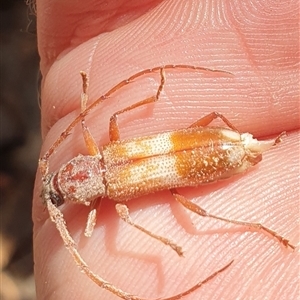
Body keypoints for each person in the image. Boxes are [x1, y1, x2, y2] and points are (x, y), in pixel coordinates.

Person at [33, 1, 299, 299]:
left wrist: (164, 241)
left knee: (197, 210)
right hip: (213, 155)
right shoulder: (107, 158)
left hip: (213, 148)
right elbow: (89, 123)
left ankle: (255, 213)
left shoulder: (113, 192)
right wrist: (84, 103)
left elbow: (102, 226)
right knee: (201, 206)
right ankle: (256, 220)